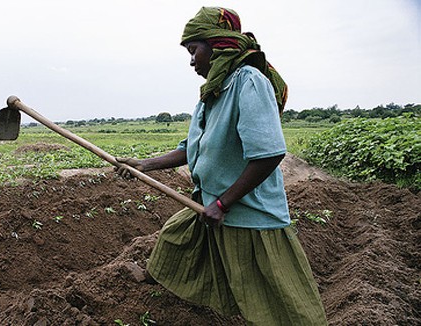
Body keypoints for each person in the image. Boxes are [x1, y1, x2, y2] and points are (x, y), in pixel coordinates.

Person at [116, 6, 327, 325]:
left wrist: (223, 203)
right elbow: (191, 149)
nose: (191, 61)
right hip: (208, 200)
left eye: (193, 50)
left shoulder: (249, 82)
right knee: (175, 237)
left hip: (248, 212)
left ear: (218, 44)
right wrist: (144, 164)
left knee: (277, 301)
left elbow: (269, 154)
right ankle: (158, 290)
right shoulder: (211, 93)